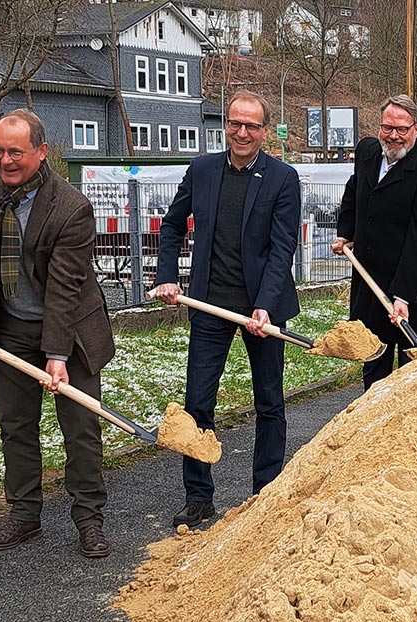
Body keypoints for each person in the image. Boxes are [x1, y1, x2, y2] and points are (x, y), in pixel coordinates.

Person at [0, 109, 115, 558]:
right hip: (9, 327)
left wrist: (55, 354)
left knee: (80, 429)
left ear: (42, 151)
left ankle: (88, 519)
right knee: (15, 426)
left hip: (70, 331)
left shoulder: (71, 206)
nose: (6, 161)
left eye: (16, 152)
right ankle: (24, 515)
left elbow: (65, 289)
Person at [154, 90, 301, 527]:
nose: (241, 132)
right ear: (226, 125)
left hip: (263, 309)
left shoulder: (281, 178)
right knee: (198, 404)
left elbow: (281, 249)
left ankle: (267, 491)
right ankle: (198, 497)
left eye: (251, 126)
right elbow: (172, 224)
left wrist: (265, 307)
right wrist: (166, 275)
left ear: (264, 131)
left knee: (270, 402)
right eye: (235, 123)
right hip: (209, 304)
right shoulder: (201, 170)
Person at [331, 95, 417, 390]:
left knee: (409, 373)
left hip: (410, 291)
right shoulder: (368, 154)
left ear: (416, 129)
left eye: (402, 129)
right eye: (388, 128)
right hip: (368, 283)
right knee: (373, 368)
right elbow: (354, 188)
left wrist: (402, 296)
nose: (394, 136)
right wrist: (346, 231)